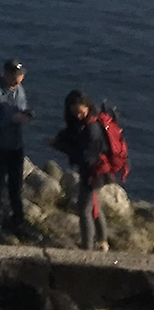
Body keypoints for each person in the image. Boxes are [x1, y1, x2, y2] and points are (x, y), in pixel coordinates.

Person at [0, 58, 34, 241]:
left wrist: (26, 114)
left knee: (16, 185)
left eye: (21, 76)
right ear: (6, 74)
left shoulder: (19, 90)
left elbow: (21, 107)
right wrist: (11, 119)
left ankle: (18, 221)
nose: (18, 80)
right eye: (15, 76)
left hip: (16, 145)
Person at [50, 91, 110, 252]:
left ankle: (87, 248)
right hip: (99, 171)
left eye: (80, 112)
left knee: (84, 210)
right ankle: (103, 241)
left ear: (87, 107)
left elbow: (84, 156)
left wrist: (58, 145)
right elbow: (73, 135)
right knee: (94, 206)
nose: (77, 115)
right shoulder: (87, 122)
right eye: (74, 112)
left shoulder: (92, 128)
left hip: (93, 173)